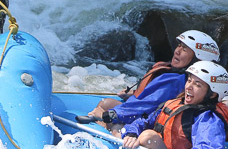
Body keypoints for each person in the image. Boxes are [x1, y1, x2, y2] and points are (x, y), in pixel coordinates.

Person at [87, 30, 220, 133]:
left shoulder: (176, 80)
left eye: (184, 49)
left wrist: (107, 115)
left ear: (198, 59)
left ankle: (112, 132)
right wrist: (135, 94)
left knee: (106, 106)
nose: (177, 51)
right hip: (157, 117)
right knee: (107, 103)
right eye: (179, 46)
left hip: (150, 122)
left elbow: (144, 108)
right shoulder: (187, 79)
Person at [120, 60, 228, 149]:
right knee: (145, 135)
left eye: (197, 85)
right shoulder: (175, 104)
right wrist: (131, 133)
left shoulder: (209, 120)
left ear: (212, 94)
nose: (189, 87)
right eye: (189, 81)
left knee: (148, 137)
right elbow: (144, 121)